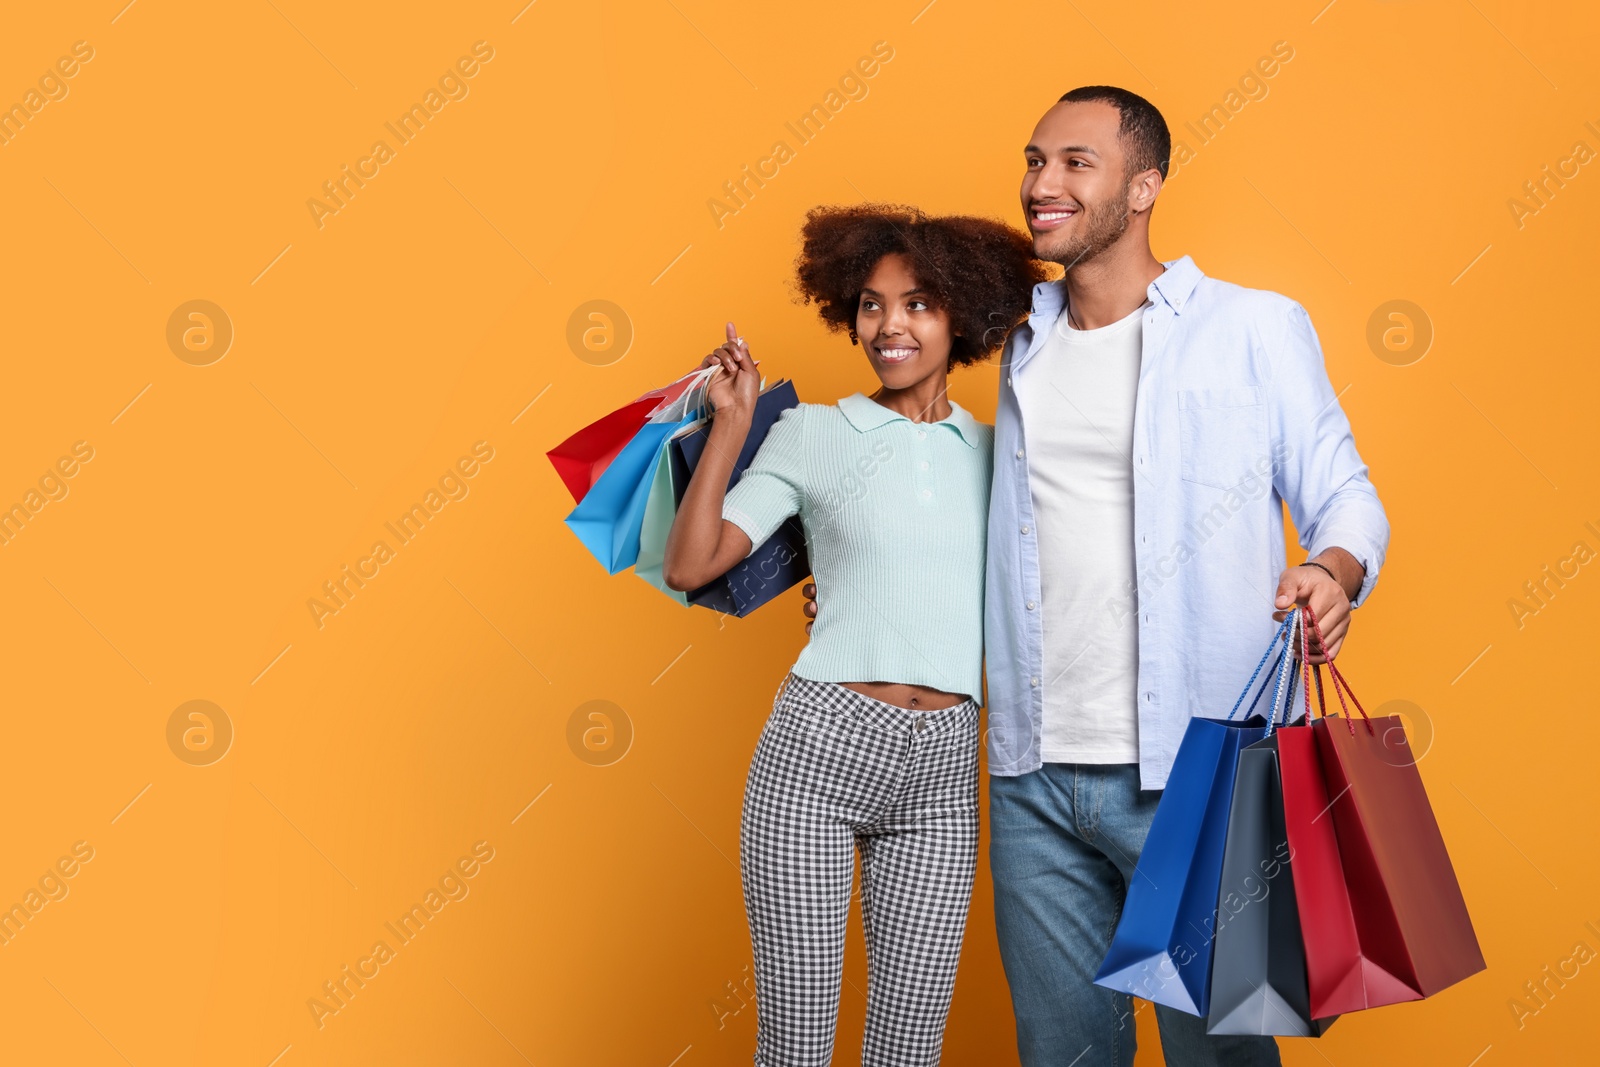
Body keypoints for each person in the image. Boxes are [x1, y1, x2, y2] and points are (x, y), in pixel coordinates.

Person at [802, 87, 1390, 1065]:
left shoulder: (1250, 327)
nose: (1041, 184)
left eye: (1075, 161)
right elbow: (987, 505)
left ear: (1145, 184)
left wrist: (1330, 570)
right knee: (1064, 1053)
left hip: (1198, 771)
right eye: (1034, 160)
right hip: (1030, 776)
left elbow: (1348, 497)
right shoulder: (1013, 335)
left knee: (1220, 1055)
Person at [663, 204, 1045, 1067]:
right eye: (871, 305)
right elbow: (693, 564)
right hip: (818, 756)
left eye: (917, 304)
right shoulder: (816, 433)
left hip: (944, 770)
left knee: (908, 1049)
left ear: (963, 316)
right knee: (796, 1044)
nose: (891, 325)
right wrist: (731, 425)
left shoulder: (1000, 453)